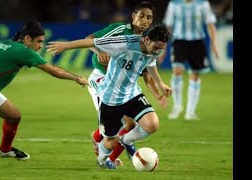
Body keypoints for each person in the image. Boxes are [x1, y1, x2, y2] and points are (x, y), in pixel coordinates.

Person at [0, 20, 89, 167]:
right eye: (39, 41)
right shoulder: (23, 51)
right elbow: (53, 70)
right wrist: (77, 78)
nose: (41, 46)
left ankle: (5, 150)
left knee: (13, 115)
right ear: (27, 39)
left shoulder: (3, 44)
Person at [47, 24, 172, 169]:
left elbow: (150, 63)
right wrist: (66, 46)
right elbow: (92, 42)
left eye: (161, 48)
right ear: (146, 39)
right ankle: (101, 160)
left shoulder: (155, 50)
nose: (157, 51)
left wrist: (160, 84)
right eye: (156, 47)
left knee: (152, 124)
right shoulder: (124, 43)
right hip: (111, 100)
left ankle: (127, 140)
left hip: (132, 94)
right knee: (111, 143)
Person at [85, 0, 167, 166]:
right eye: (141, 15)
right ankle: (104, 152)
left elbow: (147, 73)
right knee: (123, 124)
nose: (144, 20)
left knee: (131, 125)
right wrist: (100, 51)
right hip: (101, 79)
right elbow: (90, 39)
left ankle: (109, 155)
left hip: (123, 87)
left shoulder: (146, 42)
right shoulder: (121, 29)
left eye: (149, 17)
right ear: (133, 16)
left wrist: (158, 92)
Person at [163, 0, 220, 120]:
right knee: (177, 71)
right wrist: (163, 48)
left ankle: (190, 111)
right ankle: (177, 106)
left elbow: (210, 24)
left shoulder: (203, 4)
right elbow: (168, 26)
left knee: (195, 75)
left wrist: (214, 45)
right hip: (179, 42)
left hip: (197, 42)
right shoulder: (174, 4)